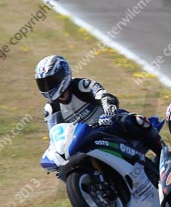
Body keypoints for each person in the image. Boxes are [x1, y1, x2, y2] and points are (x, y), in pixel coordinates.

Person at [35, 55, 163, 157]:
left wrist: (108, 113)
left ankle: (165, 156)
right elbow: (55, 137)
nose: (48, 87)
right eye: (43, 84)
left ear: (62, 75)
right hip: (82, 141)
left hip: (108, 126)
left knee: (136, 121)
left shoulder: (81, 85)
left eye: (50, 82)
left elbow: (105, 96)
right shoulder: (50, 110)